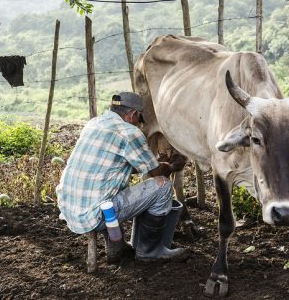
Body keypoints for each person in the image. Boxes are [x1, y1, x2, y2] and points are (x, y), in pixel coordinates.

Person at [56, 92, 189, 263]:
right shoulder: (129, 132)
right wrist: (172, 166)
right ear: (133, 114)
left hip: (69, 207)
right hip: (94, 214)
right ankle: (150, 250)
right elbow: (156, 174)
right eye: (140, 120)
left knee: (110, 190)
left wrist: (154, 164)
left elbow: (114, 165)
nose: (139, 125)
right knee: (162, 186)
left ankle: (116, 247)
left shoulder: (94, 124)